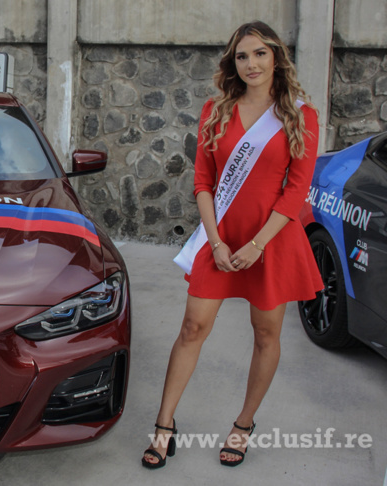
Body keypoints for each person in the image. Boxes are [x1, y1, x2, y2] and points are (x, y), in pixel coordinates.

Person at [141, 21, 322, 469]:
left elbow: (296, 191)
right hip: (219, 239)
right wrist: (217, 242)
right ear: (232, 62)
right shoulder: (215, 110)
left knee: (266, 335)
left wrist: (258, 244)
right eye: (242, 56)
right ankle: (164, 424)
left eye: (260, 54)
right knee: (192, 328)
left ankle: (243, 425)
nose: (251, 64)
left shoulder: (299, 115)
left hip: (271, 241)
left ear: (276, 57)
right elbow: (204, 182)